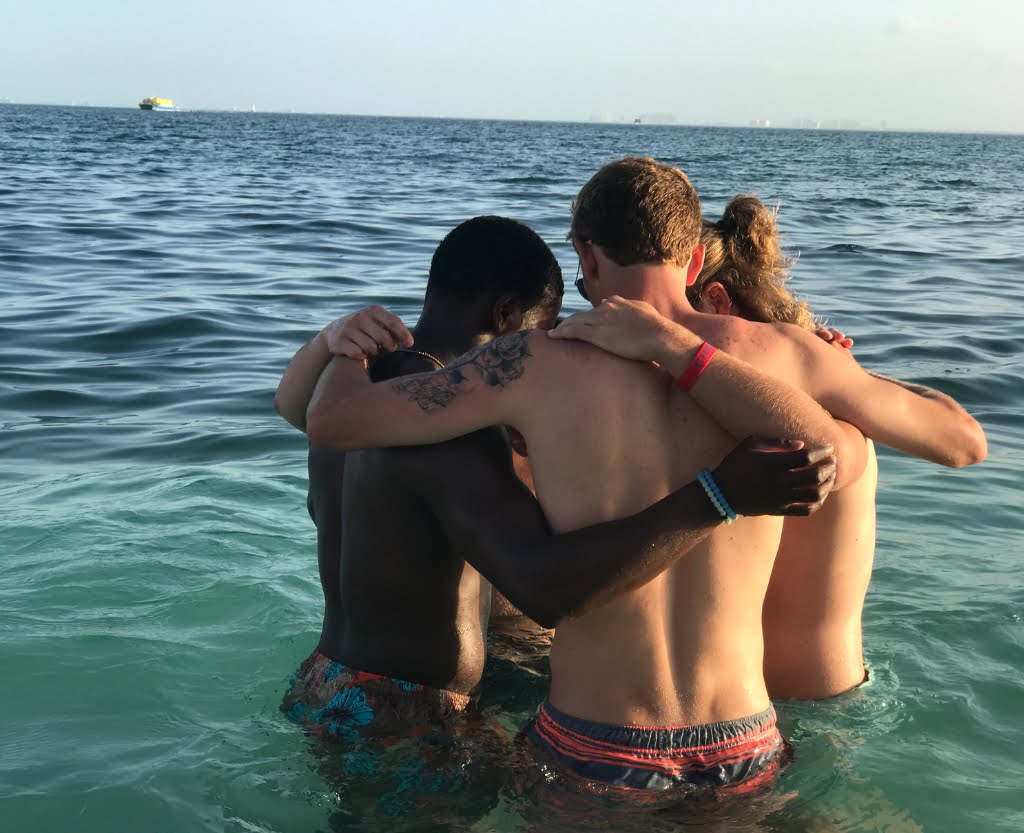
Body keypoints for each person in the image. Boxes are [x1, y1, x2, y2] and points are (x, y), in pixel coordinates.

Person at [302, 158, 986, 801]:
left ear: (587, 255)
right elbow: (961, 440)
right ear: (693, 257)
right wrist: (720, 355)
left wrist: (345, 342)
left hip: (589, 746)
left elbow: (334, 422)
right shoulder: (789, 355)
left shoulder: (531, 362)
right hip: (746, 742)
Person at [274, 215, 837, 743]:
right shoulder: (452, 437)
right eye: (540, 338)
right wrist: (720, 495)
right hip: (410, 719)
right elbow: (544, 588)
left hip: (325, 680)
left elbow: (292, 407)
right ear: (505, 318)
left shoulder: (352, 398)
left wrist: (333, 341)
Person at [690, 195, 985, 699]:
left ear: (717, 301)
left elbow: (963, 442)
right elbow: (963, 440)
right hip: (836, 692)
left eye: (673, 310)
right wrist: (847, 376)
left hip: (744, 704)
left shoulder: (690, 405)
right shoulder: (830, 386)